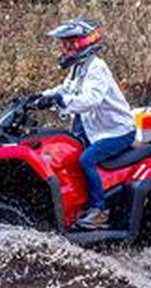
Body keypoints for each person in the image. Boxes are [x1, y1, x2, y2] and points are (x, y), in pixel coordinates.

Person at [34, 18, 135, 229]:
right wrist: (38, 97)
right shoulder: (79, 67)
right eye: (63, 44)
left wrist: (61, 101)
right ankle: (75, 205)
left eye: (70, 44)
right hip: (94, 129)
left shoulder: (97, 67)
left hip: (116, 132)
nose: (64, 48)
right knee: (64, 155)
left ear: (85, 43)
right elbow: (64, 89)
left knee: (86, 160)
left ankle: (99, 211)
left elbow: (91, 100)